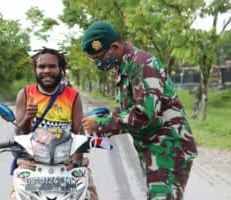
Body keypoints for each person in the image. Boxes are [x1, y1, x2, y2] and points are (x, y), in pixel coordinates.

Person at [81, 21, 198, 200]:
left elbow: (144, 116)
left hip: (167, 148)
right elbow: (129, 108)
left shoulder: (143, 65)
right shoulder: (125, 67)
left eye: (100, 57)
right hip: (153, 148)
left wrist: (102, 124)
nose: (98, 64)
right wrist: (108, 117)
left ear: (115, 46)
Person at [11, 47, 98, 200]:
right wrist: (28, 117)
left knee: (89, 194)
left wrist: (77, 161)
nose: (46, 70)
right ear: (35, 69)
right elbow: (20, 133)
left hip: (66, 159)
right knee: (15, 195)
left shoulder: (73, 96)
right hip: (32, 160)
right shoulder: (25, 94)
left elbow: (79, 133)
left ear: (60, 69)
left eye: (52, 66)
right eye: (41, 66)